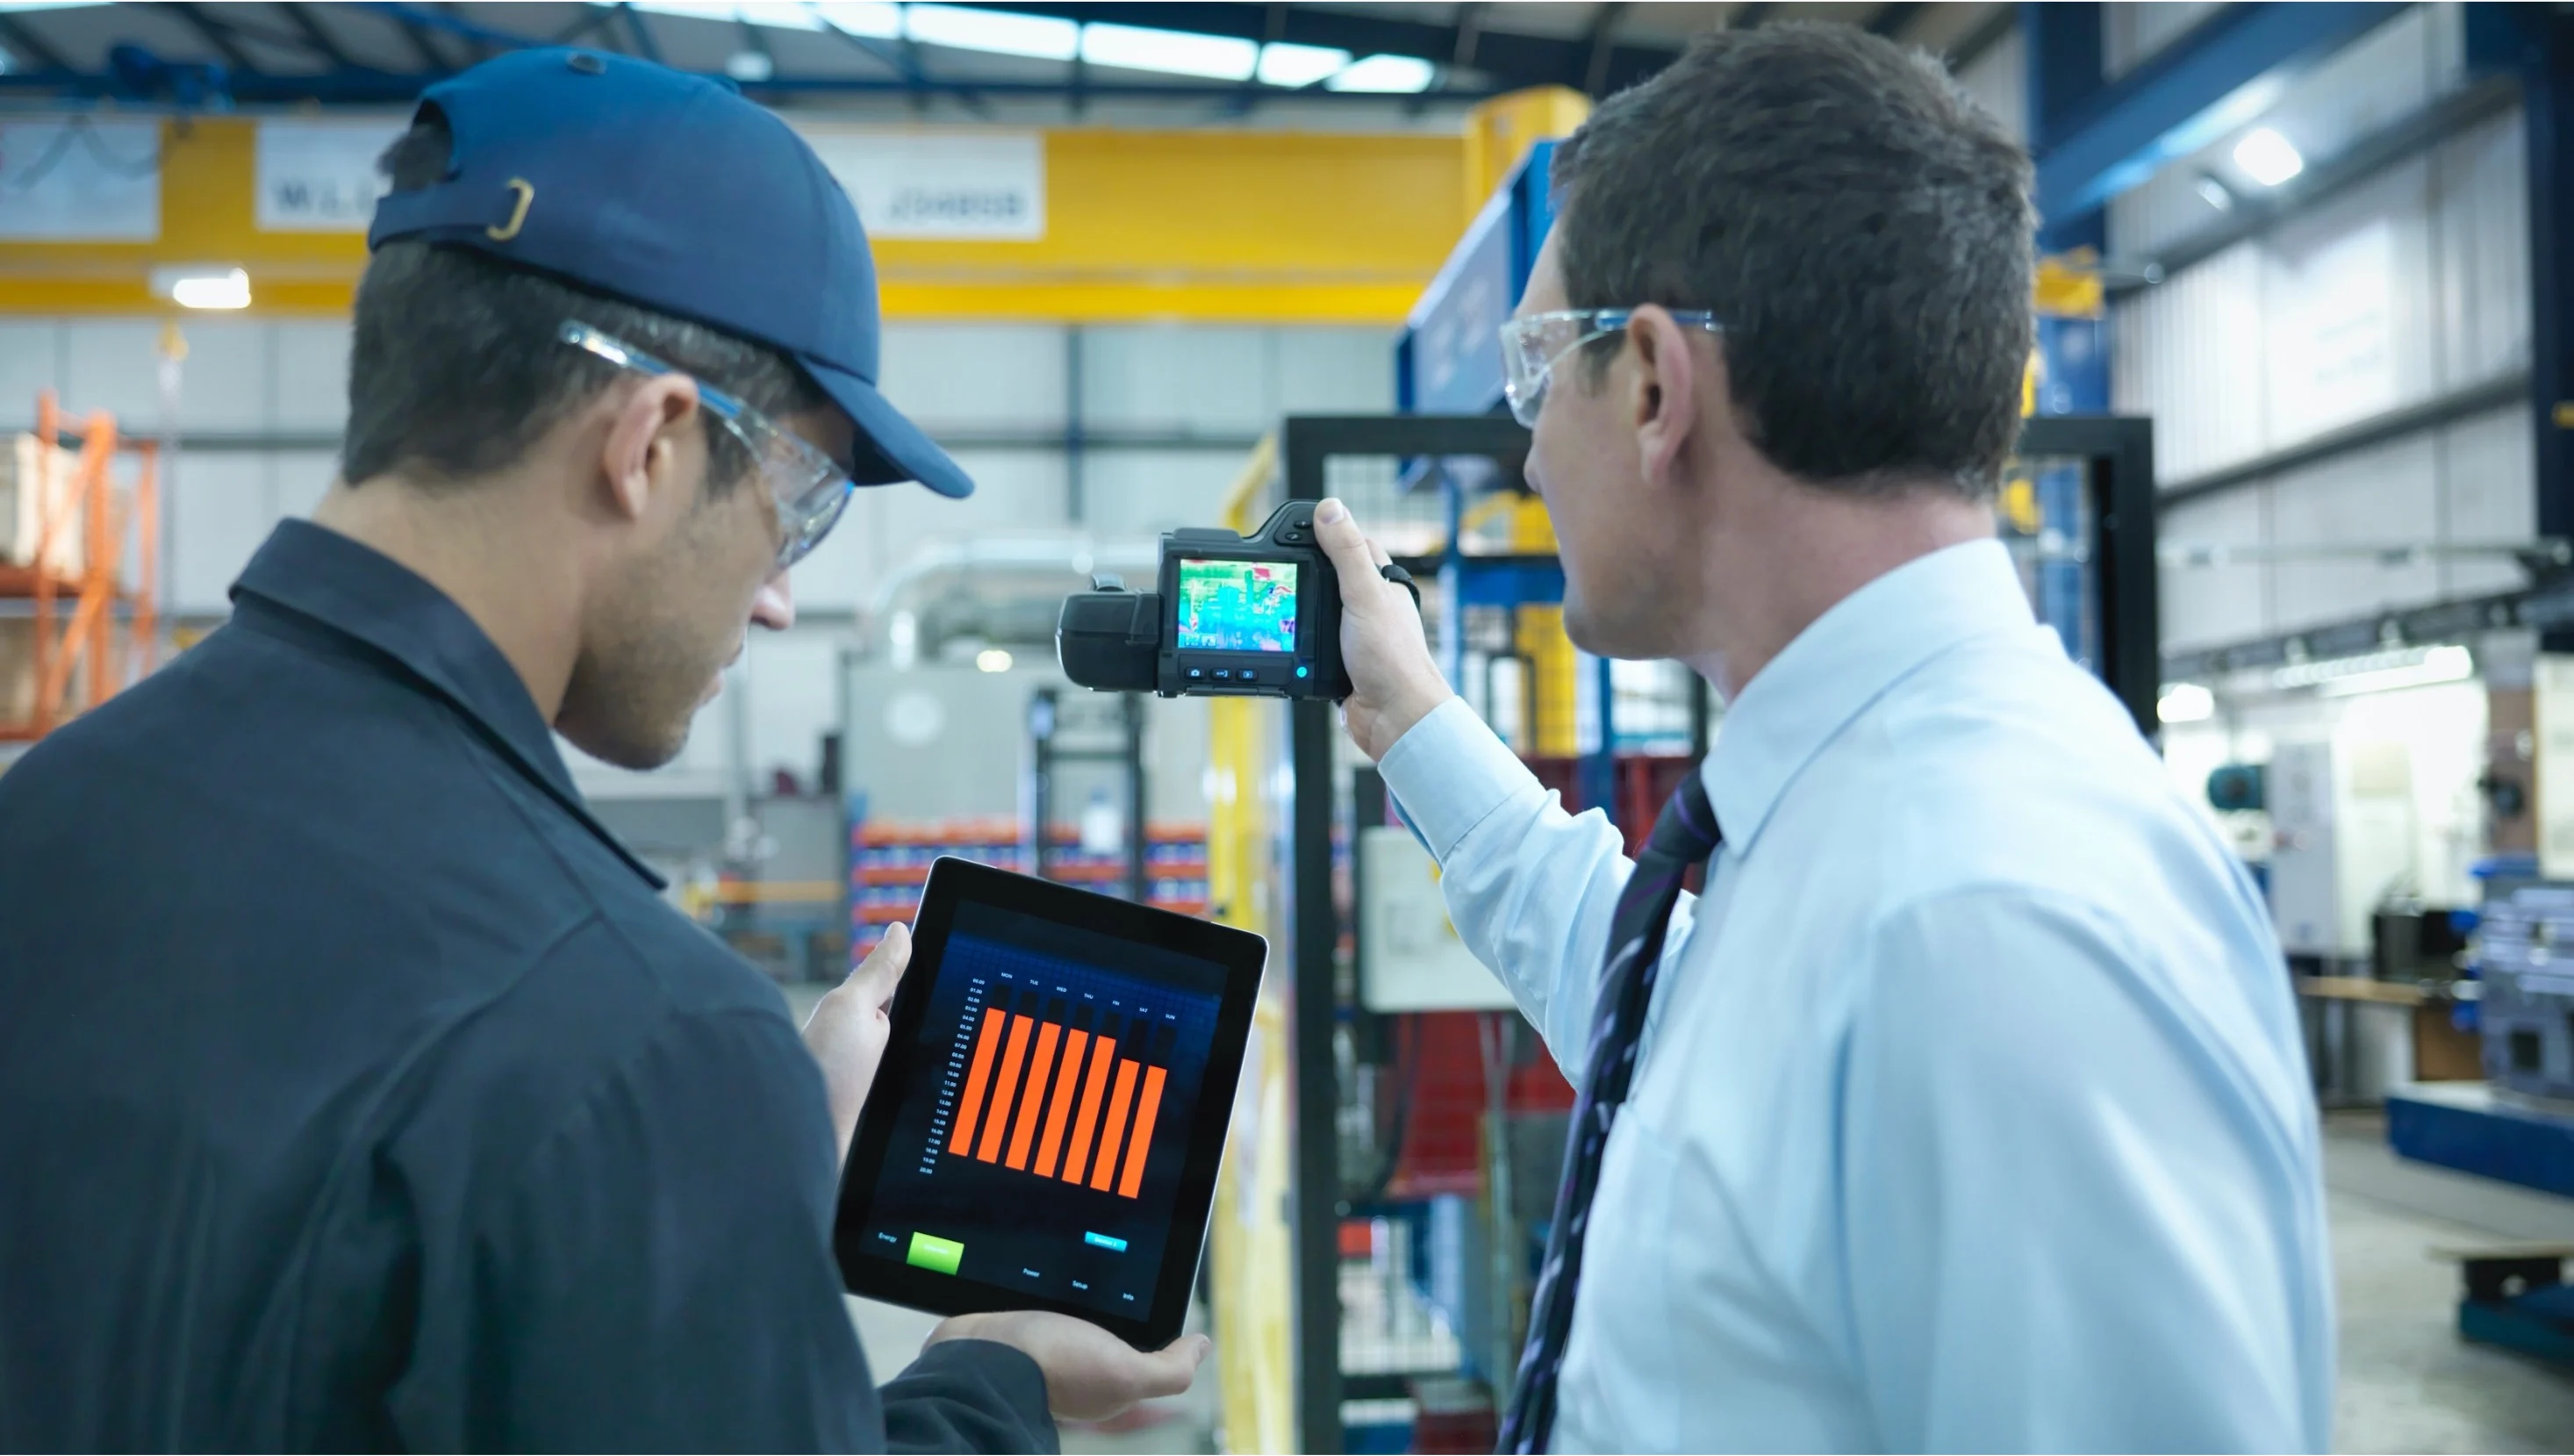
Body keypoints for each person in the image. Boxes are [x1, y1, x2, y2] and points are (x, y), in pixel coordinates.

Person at [0, 50, 1201, 1452]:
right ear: (650, 444)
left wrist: (729, 1173)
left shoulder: (50, 819)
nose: (780, 594)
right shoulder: (633, 1034)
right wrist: (990, 1373)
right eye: (798, 505)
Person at [1316, 25, 2330, 1454]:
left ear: (1659, 385)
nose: (1531, 449)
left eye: (1541, 371)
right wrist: (1412, 721)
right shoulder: (1862, 830)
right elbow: (1664, 1012)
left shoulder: (1990, 929)